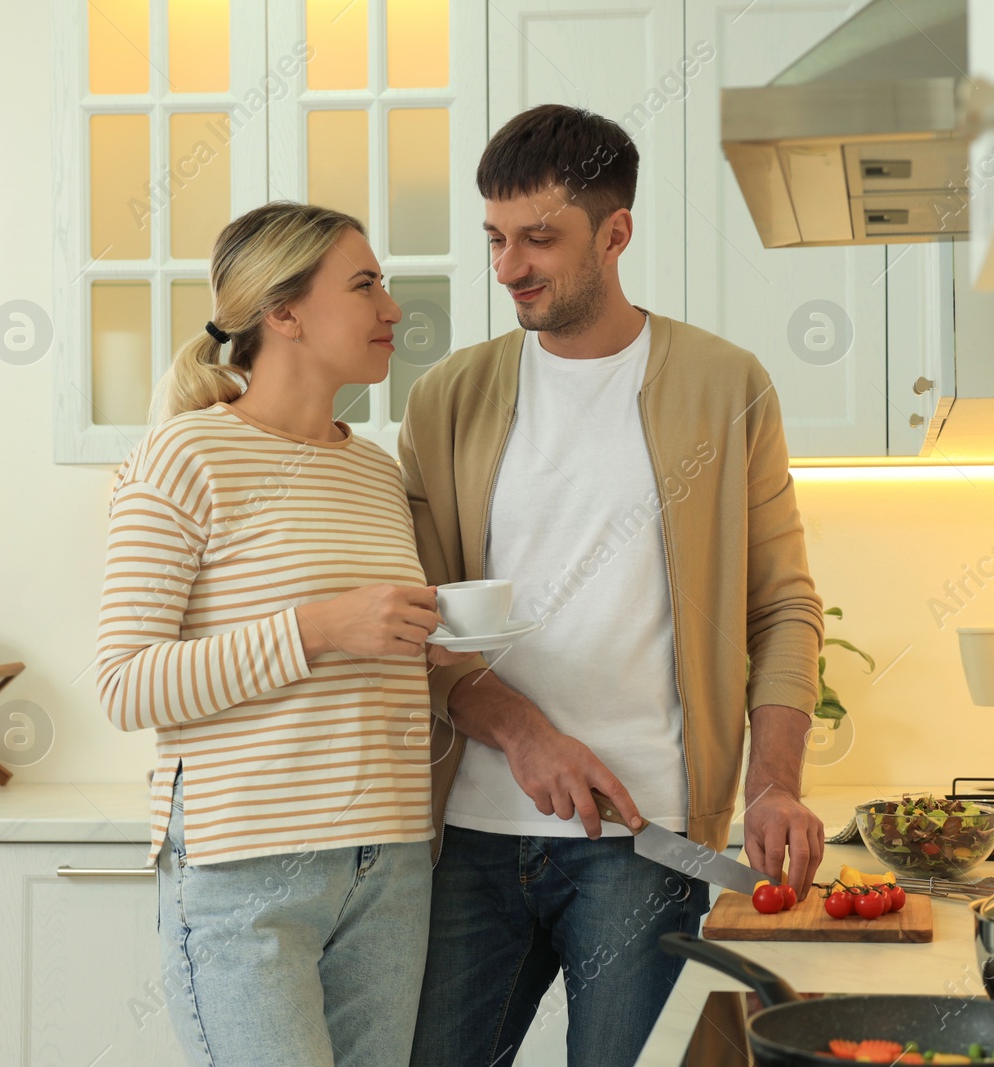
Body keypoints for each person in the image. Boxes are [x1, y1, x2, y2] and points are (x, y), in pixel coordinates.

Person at [401, 104, 826, 1067]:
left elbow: (784, 606)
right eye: (497, 239)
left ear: (616, 233)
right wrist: (524, 731)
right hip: (469, 833)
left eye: (540, 239)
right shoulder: (448, 398)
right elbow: (416, 622)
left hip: (647, 837)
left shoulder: (727, 385)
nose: (510, 267)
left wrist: (773, 783)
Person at [94, 202, 470, 1067]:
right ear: (284, 311)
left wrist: (419, 640)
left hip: (391, 857)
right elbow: (126, 681)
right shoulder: (184, 457)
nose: (392, 309)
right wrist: (322, 627)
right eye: (366, 284)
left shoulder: (375, 469)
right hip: (244, 866)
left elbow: (360, 651)